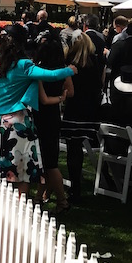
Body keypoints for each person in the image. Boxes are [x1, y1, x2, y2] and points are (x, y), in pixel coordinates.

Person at [0, 26, 76, 196]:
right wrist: (70, 70)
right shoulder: (25, 65)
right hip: (18, 120)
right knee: (21, 170)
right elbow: (50, 75)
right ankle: (20, 207)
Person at [32, 35, 73, 213]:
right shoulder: (63, 70)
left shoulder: (39, 71)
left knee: (49, 163)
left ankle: (62, 201)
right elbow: (70, 92)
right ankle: (38, 197)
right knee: (47, 159)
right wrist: (61, 97)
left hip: (40, 115)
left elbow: (41, 97)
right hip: (54, 115)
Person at [63, 32, 103, 201]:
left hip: (75, 109)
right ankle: (77, 184)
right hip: (92, 110)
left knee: (73, 148)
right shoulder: (98, 63)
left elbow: (69, 90)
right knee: (78, 147)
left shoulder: (71, 65)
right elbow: (100, 84)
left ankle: (75, 187)